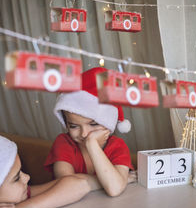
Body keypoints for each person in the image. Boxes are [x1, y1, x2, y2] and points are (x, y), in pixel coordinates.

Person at [44, 67, 135, 197]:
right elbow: (67, 186)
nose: (84, 134)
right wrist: (117, 179)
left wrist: (92, 145)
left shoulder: (118, 146)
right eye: (74, 126)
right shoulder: (64, 143)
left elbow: (114, 189)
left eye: (93, 124)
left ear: (108, 122)